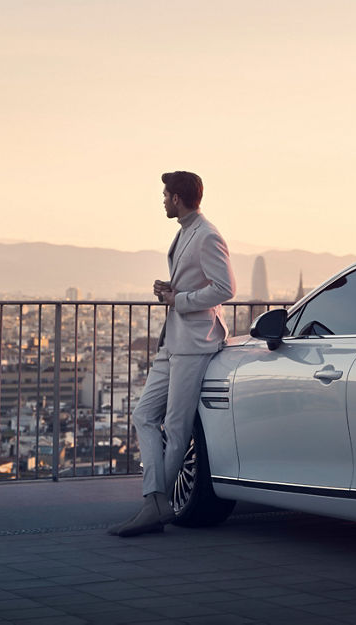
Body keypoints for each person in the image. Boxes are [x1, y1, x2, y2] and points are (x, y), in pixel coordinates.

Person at [109, 170, 235, 537]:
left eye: (166, 194)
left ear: (178, 198)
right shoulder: (185, 232)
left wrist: (179, 300)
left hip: (195, 342)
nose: (163, 200)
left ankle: (153, 505)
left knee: (177, 426)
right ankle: (157, 500)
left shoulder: (207, 235)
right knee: (144, 414)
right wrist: (171, 289)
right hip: (174, 340)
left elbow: (225, 287)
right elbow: (197, 284)